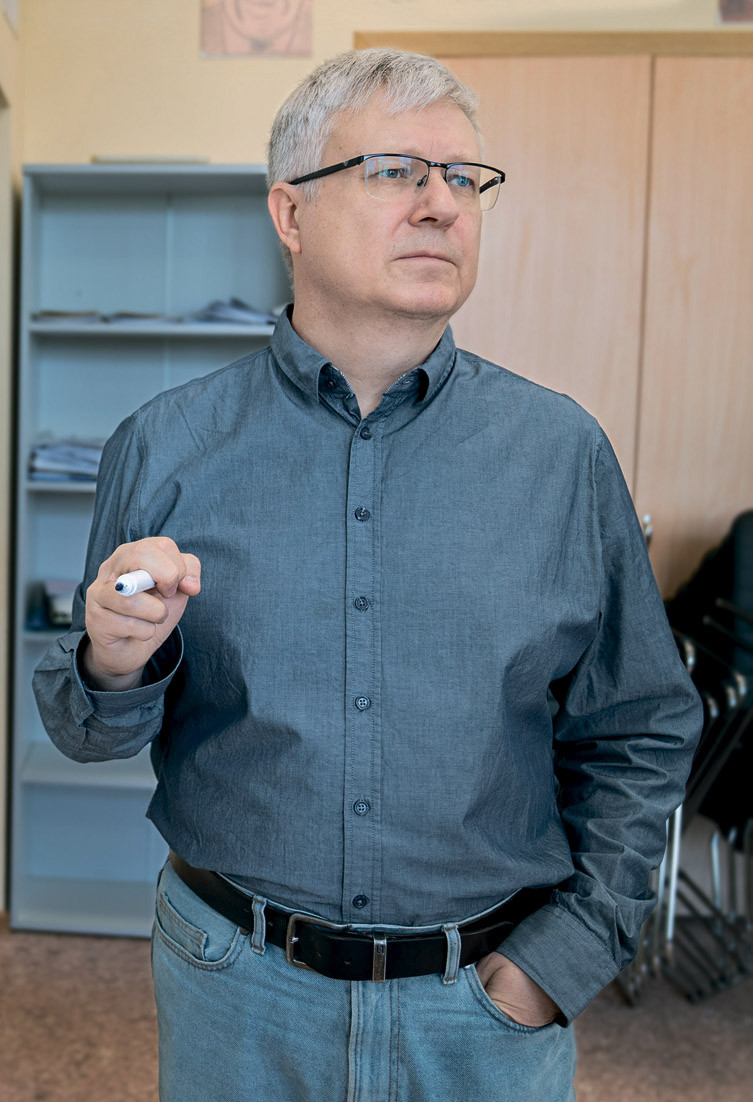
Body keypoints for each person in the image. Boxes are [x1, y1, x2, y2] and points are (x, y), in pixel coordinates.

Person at [33, 47, 702, 1102]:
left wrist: (562, 959)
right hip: (235, 991)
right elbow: (88, 731)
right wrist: (113, 665)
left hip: (484, 1011)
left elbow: (644, 723)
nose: (442, 204)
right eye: (395, 170)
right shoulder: (163, 447)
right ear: (290, 213)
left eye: (465, 177)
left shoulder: (561, 454)